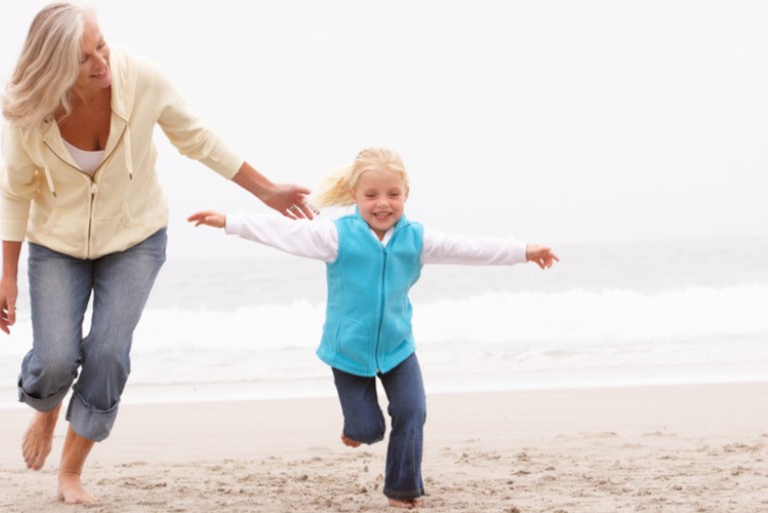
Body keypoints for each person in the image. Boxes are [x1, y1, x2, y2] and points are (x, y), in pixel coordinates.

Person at [0, 2, 313, 505]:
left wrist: (266, 191)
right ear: (53, 65)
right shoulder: (29, 115)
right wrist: (7, 276)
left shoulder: (142, 78)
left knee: (108, 354)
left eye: (101, 44)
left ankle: (70, 472)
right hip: (57, 245)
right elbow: (14, 191)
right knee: (55, 360)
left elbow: (198, 139)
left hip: (136, 238)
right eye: (82, 58)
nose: (100, 61)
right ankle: (47, 405)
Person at [188, 147, 558, 508]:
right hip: (347, 351)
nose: (383, 203)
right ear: (354, 196)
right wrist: (230, 222)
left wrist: (525, 250)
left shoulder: (417, 238)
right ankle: (356, 429)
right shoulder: (335, 236)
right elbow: (284, 232)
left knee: (413, 411)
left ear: (406, 195)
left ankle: (401, 491)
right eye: (371, 195)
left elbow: (470, 248)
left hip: (398, 348)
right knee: (368, 431)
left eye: (393, 194)